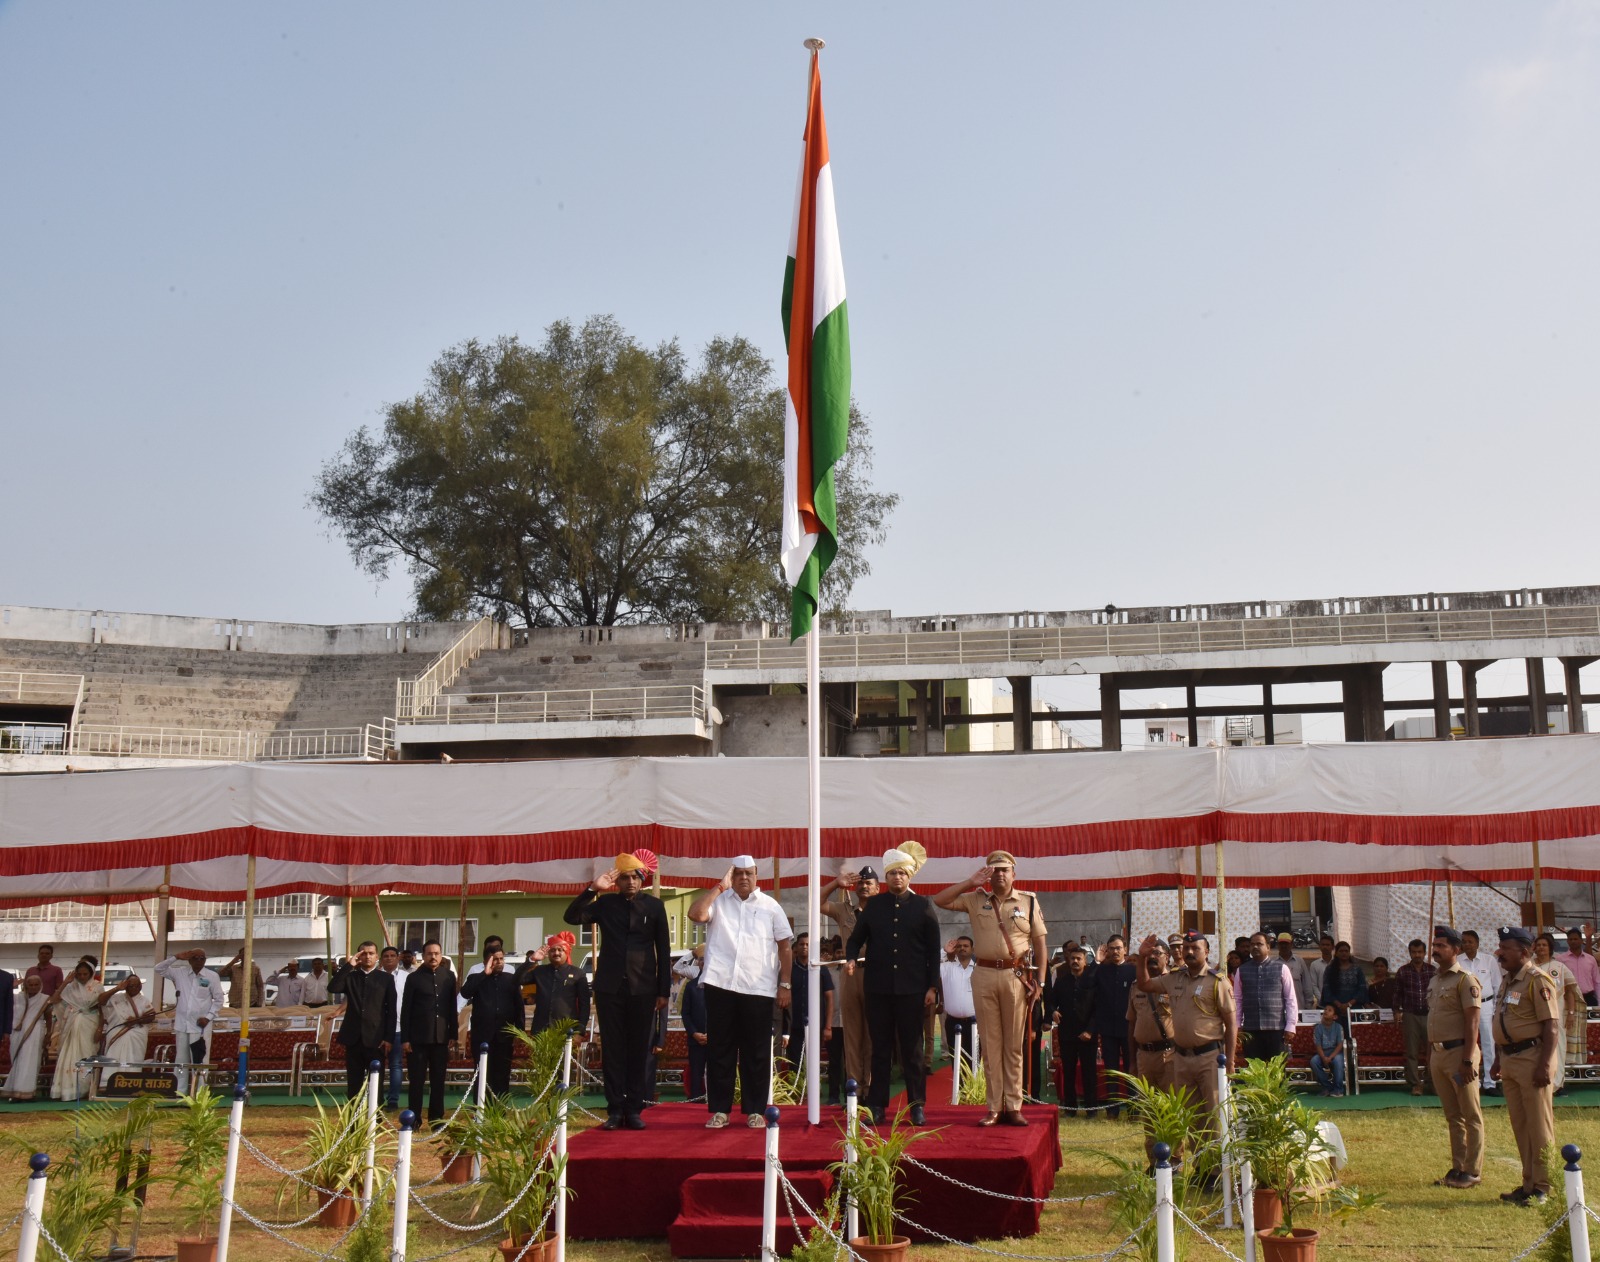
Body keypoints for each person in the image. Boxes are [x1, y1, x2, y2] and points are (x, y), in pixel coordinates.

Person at [933, 849, 1047, 1128]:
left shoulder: (1028, 901)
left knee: (1013, 1046)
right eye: (994, 870)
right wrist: (970, 882)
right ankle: (994, 1107)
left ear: (1013, 873)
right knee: (991, 1045)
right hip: (983, 973)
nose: (999, 874)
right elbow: (940, 900)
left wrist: (1041, 982)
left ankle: (1014, 1105)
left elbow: (1041, 943)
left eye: (1004, 869)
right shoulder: (976, 899)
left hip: (1015, 975)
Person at [567, 852, 673, 1130]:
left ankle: (635, 1109)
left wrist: (663, 991)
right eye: (624, 877)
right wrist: (592, 889)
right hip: (609, 988)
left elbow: (664, 950)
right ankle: (614, 1110)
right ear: (617, 881)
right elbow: (572, 916)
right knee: (613, 1050)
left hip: (644, 988)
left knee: (639, 1050)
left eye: (634, 877)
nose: (629, 882)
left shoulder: (655, 906)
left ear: (642, 879)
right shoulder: (605, 904)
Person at [690, 855, 794, 1129]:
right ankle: (720, 1111)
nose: (744, 878)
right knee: (720, 1049)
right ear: (731, 876)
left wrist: (785, 984)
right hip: (721, 985)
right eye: (738, 874)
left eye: (748, 873)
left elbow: (785, 947)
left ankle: (755, 1110)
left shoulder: (770, 906)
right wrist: (719, 888)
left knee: (757, 1051)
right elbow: (696, 915)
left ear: (757, 874)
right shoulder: (719, 902)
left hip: (758, 988)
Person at [849, 844, 940, 1127]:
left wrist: (931, 987)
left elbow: (933, 951)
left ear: (910, 876)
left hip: (912, 990)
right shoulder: (875, 906)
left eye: (902, 873)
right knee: (881, 1049)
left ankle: (916, 1106)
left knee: (912, 1050)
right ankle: (877, 1105)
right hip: (878, 989)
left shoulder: (923, 906)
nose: (897, 878)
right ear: (886, 878)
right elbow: (855, 938)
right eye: (892, 874)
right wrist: (851, 957)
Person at [1134, 931, 1238, 1144]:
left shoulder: (1217, 981)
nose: (1189, 952)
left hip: (1209, 1057)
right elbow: (1144, 985)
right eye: (1186, 948)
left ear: (1206, 952)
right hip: (1181, 1058)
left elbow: (1231, 1023)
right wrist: (1142, 957)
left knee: (1214, 1114)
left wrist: (1230, 1061)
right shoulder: (1174, 978)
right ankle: (1201, 1169)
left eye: (1195, 948)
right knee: (1191, 1115)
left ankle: (1217, 1170)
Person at [1491, 926, 1559, 1206]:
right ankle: (1529, 1183)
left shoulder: (1537, 980)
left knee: (1539, 1126)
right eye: (1500, 947)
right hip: (1509, 1059)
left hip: (1532, 1059)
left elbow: (1552, 1027)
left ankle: (1544, 1186)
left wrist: (1544, 1066)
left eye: (1506, 948)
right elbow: (1504, 1019)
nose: (1500, 952)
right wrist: (1497, 1057)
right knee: (1521, 1124)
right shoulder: (1509, 980)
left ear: (1524, 952)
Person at [1427, 925, 1484, 1189]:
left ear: (1456, 950)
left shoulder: (1465, 980)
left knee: (1470, 1114)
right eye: (1435, 945)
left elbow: (1473, 1022)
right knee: (1452, 1116)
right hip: (1438, 1054)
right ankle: (1458, 1167)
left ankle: (1472, 1171)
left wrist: (1468, 1059)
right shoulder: (1435, 980)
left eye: (1441, 946)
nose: (1435, 950)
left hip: (1460, 1053)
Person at [822, 863, 879, 1099]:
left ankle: (871, 1089)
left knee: (874, 1034)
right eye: (861, 883)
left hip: (876, 973)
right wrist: (836, 883)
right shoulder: (844, 910)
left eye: (869, 883)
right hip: (851, 972)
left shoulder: (884, 910)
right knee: (852, 1033)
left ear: (877, 888)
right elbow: (817, 902)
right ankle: (854, 1089)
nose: (864, 886)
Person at [328, 941, 397, 1101]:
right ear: (358, 956)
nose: (367, 956)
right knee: (354, 1084)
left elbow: (391, 1011)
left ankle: (376, 1122)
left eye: (371, 953)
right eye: (363, 953)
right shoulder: (351, 977)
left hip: (376, 1039)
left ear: (377, 956)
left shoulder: (386, 979)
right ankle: (354, 1123)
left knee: (376, 1083)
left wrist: (388, 1038)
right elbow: (333, 987)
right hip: (353, 1038)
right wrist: (349, 965)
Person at [399, 940, 457, 1126]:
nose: (433, 957)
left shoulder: (448, 977)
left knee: (438, 1081)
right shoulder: (414, 978)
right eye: (429, 954)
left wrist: (453, 1034)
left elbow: (451, 1007)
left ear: (441, 956)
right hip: (418, 1039)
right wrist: (405, 1038)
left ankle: (436, 1119)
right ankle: (414, 1119)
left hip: (441, 1038)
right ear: (423, 956)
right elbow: (406, 1009)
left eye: (437, 953)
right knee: (416, 1082)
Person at [459, 945, 524, 1098]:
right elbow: (465, 992)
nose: (500, 962)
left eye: (501, 959)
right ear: (486, 961)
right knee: (482, 1074)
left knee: (501, 1074)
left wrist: (519, 1033)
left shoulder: (511, 980)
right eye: (495, 959)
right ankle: (480, 1112)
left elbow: (519, 1007)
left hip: (504, 1036)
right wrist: (484, 974)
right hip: (482, 1037)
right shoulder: (476, 979)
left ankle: (499, 1112)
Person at [155, 948, 223, 1092]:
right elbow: (158, 968)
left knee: (200, 1060)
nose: (199, 961)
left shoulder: (212, 976)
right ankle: (180, 1092)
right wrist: (176, 956)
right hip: (182, 1024)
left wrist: (209, 1017)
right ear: (189, 960)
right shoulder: (179, 972)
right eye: (195, 958)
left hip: (200, 1026)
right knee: (181, 1060)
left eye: (202, 958)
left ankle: (200, 1093)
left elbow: (218, 1000)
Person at [1088, 935, 1136, 1119]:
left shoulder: (1132, 970)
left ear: (1125, 949)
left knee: (1131, 1069)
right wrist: (1096, 962)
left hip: (1129, 1028)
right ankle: (1112, 1110)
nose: (1115, 952)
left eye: (1118, 948)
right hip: (1108, 1028)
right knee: (1112, 1070)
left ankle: (1133, 1110)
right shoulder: (1101, 970)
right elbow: (1086, 984)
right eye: (1111, 948)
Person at [1233, 931, 1297, 1064]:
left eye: (1259, 944)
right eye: (1252, 944)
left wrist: (1291, 1025)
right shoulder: (1242, 970)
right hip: (1251, 1030)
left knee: (1277, 1072)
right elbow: (1237, 1000)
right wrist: (1237, 1025)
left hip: (1276, 1029)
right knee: (1254, 1072)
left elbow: (1290, 999)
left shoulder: (1282, 968)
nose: (1255, 947)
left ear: (1268, 947)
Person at [1049, 943, 1097, 1116]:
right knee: (1068, 1072)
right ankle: (1070, 1108)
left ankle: (1091, 1109)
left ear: (1085, 961)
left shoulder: (1092, 981)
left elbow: (1097, 1008)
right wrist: (1053, 1011)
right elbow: (1051, 1001)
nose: (1075, 961)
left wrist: (1090, 1031)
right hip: (1067, 1034)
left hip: (1087, 1034)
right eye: (1072, 959)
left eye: (1079, 959)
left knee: (1089, 1073)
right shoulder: (1062, 981)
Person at [49, 957, 107, 1101]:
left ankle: (84, 1089)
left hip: (90, 1025)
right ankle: (67, 1090)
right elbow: (54, 1000)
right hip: (71, 1025)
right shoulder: (70, 987)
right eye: (79, 974)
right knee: (69, 1055)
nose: (81, 977)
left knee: (87, 1054)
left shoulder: (97, 987)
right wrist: (65, 983)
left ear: (91, 973)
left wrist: (100, 1028)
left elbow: (102, 1009)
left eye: (85, 974)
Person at [1532, 932, 1583, 1090]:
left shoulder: (1559, 967)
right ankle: (1539, 1081)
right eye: (1538, 945)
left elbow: (1570, 992)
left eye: (1544, 945)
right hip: (1533, 1016)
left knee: (1557, 1047)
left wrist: (1572, 1014)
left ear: (1550, 948)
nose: (1541, 948)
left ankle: (1557, 1084)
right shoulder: (1529, 967)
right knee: (1535, 1048)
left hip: (1556, 1015)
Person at [1461, 930, 1502, 1092]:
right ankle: (1473, 1082)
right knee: (1469, 1043)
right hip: (1466, 1006)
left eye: (1470, 941)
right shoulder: (1457, 962)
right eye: (1464, 942)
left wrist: (1496, 1010)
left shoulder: (1489, 960)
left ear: (1477, 943)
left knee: (1488, 1043)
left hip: (1486, 1005)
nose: (1467, 945)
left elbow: (1498, 986)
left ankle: (1490, 1083)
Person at [1394, 938, 1436, 1096]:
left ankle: (1432, 1081)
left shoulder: (1433, 971)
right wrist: (1397, 1010)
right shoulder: (1403, 971)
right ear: (1410, 953)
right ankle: (1415, 1084)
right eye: (1414, 952)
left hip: (1429, 1014)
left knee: (1432, 1050)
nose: (1417, 955)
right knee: (1412, 1051)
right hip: (1410, 1014)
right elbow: (1397, 993)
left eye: (1420, 952)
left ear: (1425, 953)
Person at [785, 932, 834, 1064]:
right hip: (794, 1026)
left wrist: (828, 1027)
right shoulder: (789, 969)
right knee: (794, 1065)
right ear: (796, 947)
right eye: (802, 944)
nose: (805, 947)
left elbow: (829, 997)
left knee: (813, 1065)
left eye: (807, 944)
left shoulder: (821, 969)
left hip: (816, 1026)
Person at [2, 976, 49, 1101]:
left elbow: (48, 1018)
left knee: (29, 1060)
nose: (33, 987)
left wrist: (48, 1035)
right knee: (17, 1061)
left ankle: (26, 1092)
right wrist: (11, 986)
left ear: (40, 985)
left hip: (35, 1032)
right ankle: (14, 1090)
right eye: (30, 985)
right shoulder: (17, 998)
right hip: (17, 1032)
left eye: (36, 985)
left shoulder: (44, 999)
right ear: (26, 986)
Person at [100, 974, 155, 1080]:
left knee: (133, 1060)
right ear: (125, 986)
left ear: (140, 986)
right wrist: (117, 988)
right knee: (114, 1059)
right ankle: (108, 1083)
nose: (134, 988)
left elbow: (151, 1017)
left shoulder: (144, 1000)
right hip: (116, 1033)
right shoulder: (116, 998)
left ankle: (131, 1083)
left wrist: (136, 1020)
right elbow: (101, 1000)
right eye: (131, 986)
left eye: (137, 985)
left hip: (136, 1035)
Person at [939, 935, 977, 1070]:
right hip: (952, 1023)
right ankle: (959, 1091)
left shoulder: (979, 969)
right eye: (959, 946)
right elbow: (930, 966)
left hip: (974, 1023)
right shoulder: (947, 968)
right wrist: (944, 951)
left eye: (966, 946)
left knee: (974, 1061)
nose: (962, 948)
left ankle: (974, 1091)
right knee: (956, 1062)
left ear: (972, 949)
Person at [380, 945, 409, 1109]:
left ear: (398, 958)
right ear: (381, 959)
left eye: (393, 955)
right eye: (386, 956)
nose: (389, 958)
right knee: (376, 1064)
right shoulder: (376, 977)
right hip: (378, 1028)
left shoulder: (407, 977)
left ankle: (393, 1101)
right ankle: (374, 1099)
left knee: (395, 1065)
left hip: (398, 1027)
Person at [678, 946, 708, 1103]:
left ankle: (717, 1103)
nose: (704, 962)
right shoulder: (691, 986)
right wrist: (694, 1033)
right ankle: (696, 1103)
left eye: (707, 959)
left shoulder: (720, 987)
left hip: (716, 1039)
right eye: (701, 959)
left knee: (717, 1073)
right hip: (695, 1039)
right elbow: (686, 1013)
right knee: (696, 1073)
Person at [1319, 941, 1368, 1030]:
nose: (1344, 953)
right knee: (1337, 1036)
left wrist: (1349, 1004)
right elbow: (1327, 989)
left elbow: (1362, 988)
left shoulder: (1357, 969)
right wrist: (1339, 1005)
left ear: (1349, 953)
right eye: (1341, 951)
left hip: (1354, 1008)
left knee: (1355, 1035)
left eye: (1346, 951)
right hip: (1335, 1009)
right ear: (1336, 953)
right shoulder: (1330, 969)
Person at [1309, 1004, 1346, 1096]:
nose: (1325, 1011)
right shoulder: (1318, 1028)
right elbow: (1318, 1045)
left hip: (1335, 1053)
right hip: (1323, 1052)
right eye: (1325, 1009)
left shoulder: (1338, 1027)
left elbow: (1340, 1045)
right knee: (1314, 1061)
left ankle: (1338, 1089)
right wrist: (1324, 1057)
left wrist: (1330, 1057)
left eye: (1329, 1010)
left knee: (1338, 1061)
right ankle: (1327, 1087)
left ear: (1335, 1016)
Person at [1275, 934, 1311, 1009]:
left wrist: (1309, 1003)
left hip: (1298, 1007)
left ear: (1291, 945)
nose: (1284, 946)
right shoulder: (1272, 963)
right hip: (1278, 1009)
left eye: (1286, 943)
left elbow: (1307, 983)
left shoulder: (1299, 961)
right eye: (1281, 944)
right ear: (1278, 945)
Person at [1569, 927, 1600, 1006]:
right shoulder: (1561, 960)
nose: (1573, 941)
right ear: (1567, 941)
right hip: (1569, 999)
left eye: (1575, 939)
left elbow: (1597, 982)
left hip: (1589, 998)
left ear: (1581, 941)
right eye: (1570, 939)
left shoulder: (1590, 959)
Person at [1306, 935, 1335, 1006]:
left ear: (1332, 947)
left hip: (1338, 1003)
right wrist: (1321, 999)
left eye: (1328, 945)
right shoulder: (1314, 964)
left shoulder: (1338, 963)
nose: (1325, 947)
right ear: (1319, 946)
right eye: (1323, 945)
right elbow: (1313, 985)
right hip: (1322, 1004)